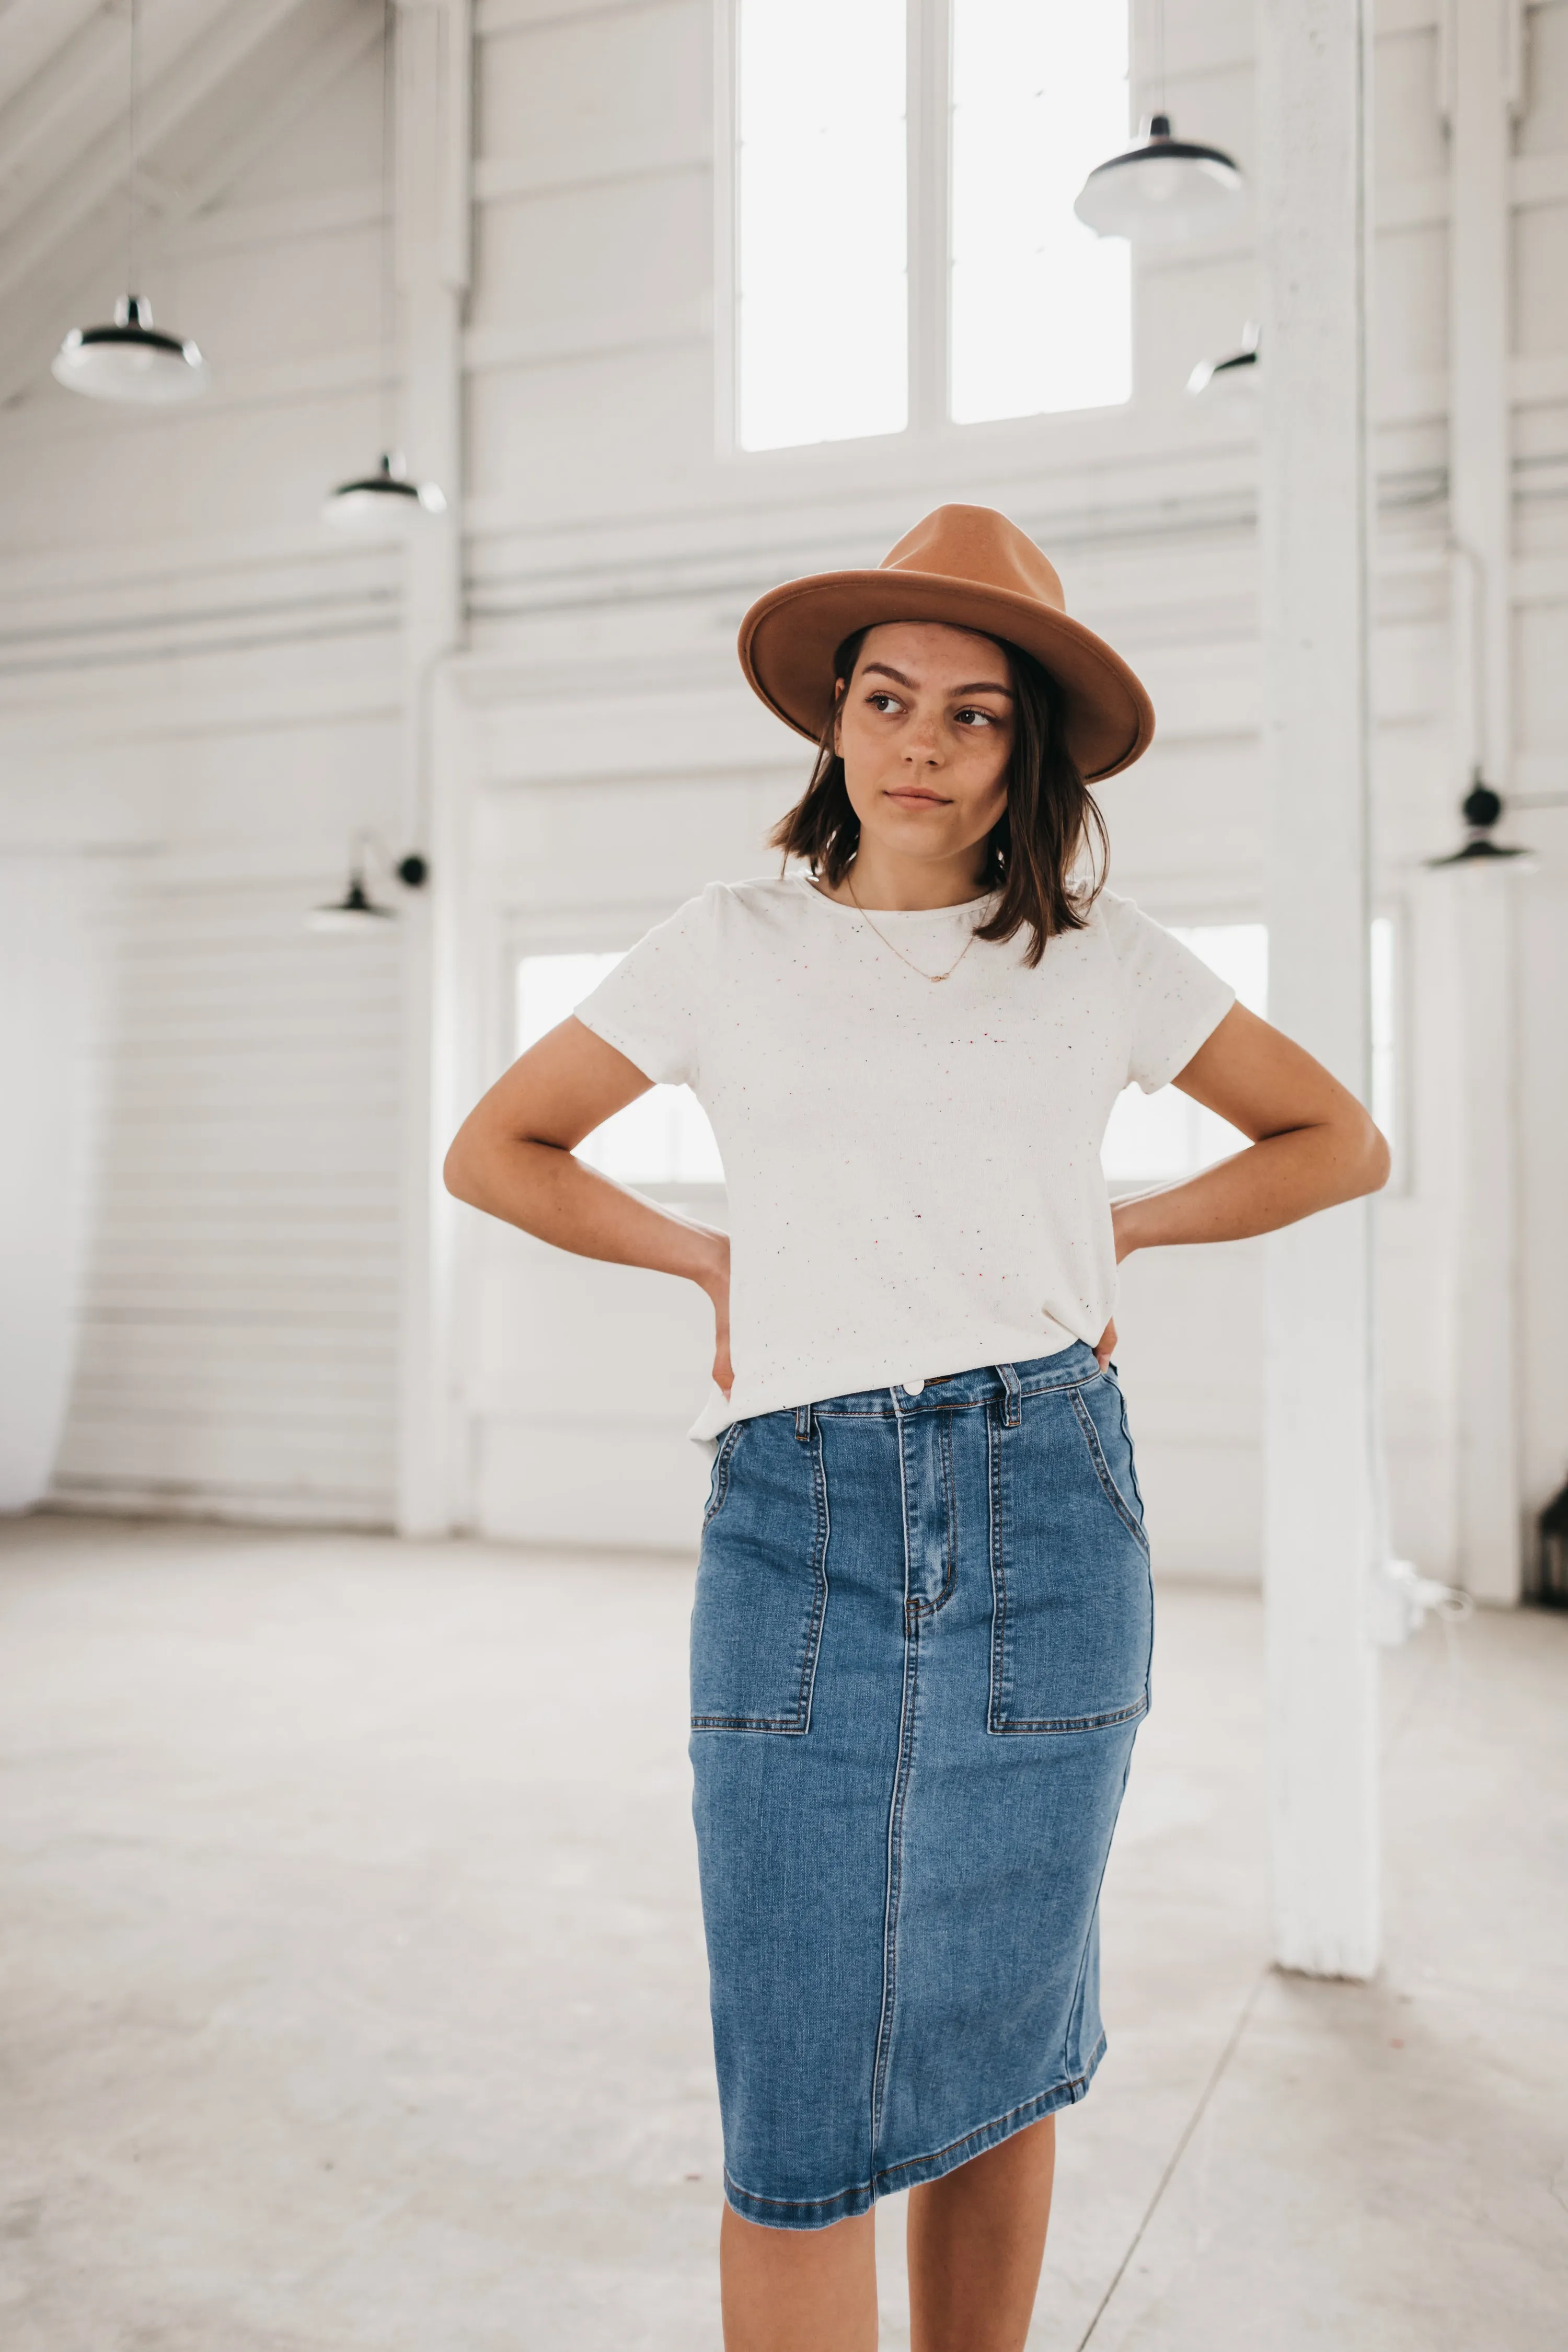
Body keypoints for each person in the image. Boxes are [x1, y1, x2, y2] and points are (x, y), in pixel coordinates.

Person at [443, 506, 1389, 2352]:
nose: (923, 745)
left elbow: (1337, 1136)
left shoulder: (1104, 960)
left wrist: (1120, 1221)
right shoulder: (724, 944)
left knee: (1003, 2045)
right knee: (797, 2093)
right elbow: (497, 1148)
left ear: (1025, 750)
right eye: (889, 700)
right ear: (836, 725)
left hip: (1052, 1509)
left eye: (974, 714)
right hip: (798, 1528)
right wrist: (707, 1259)